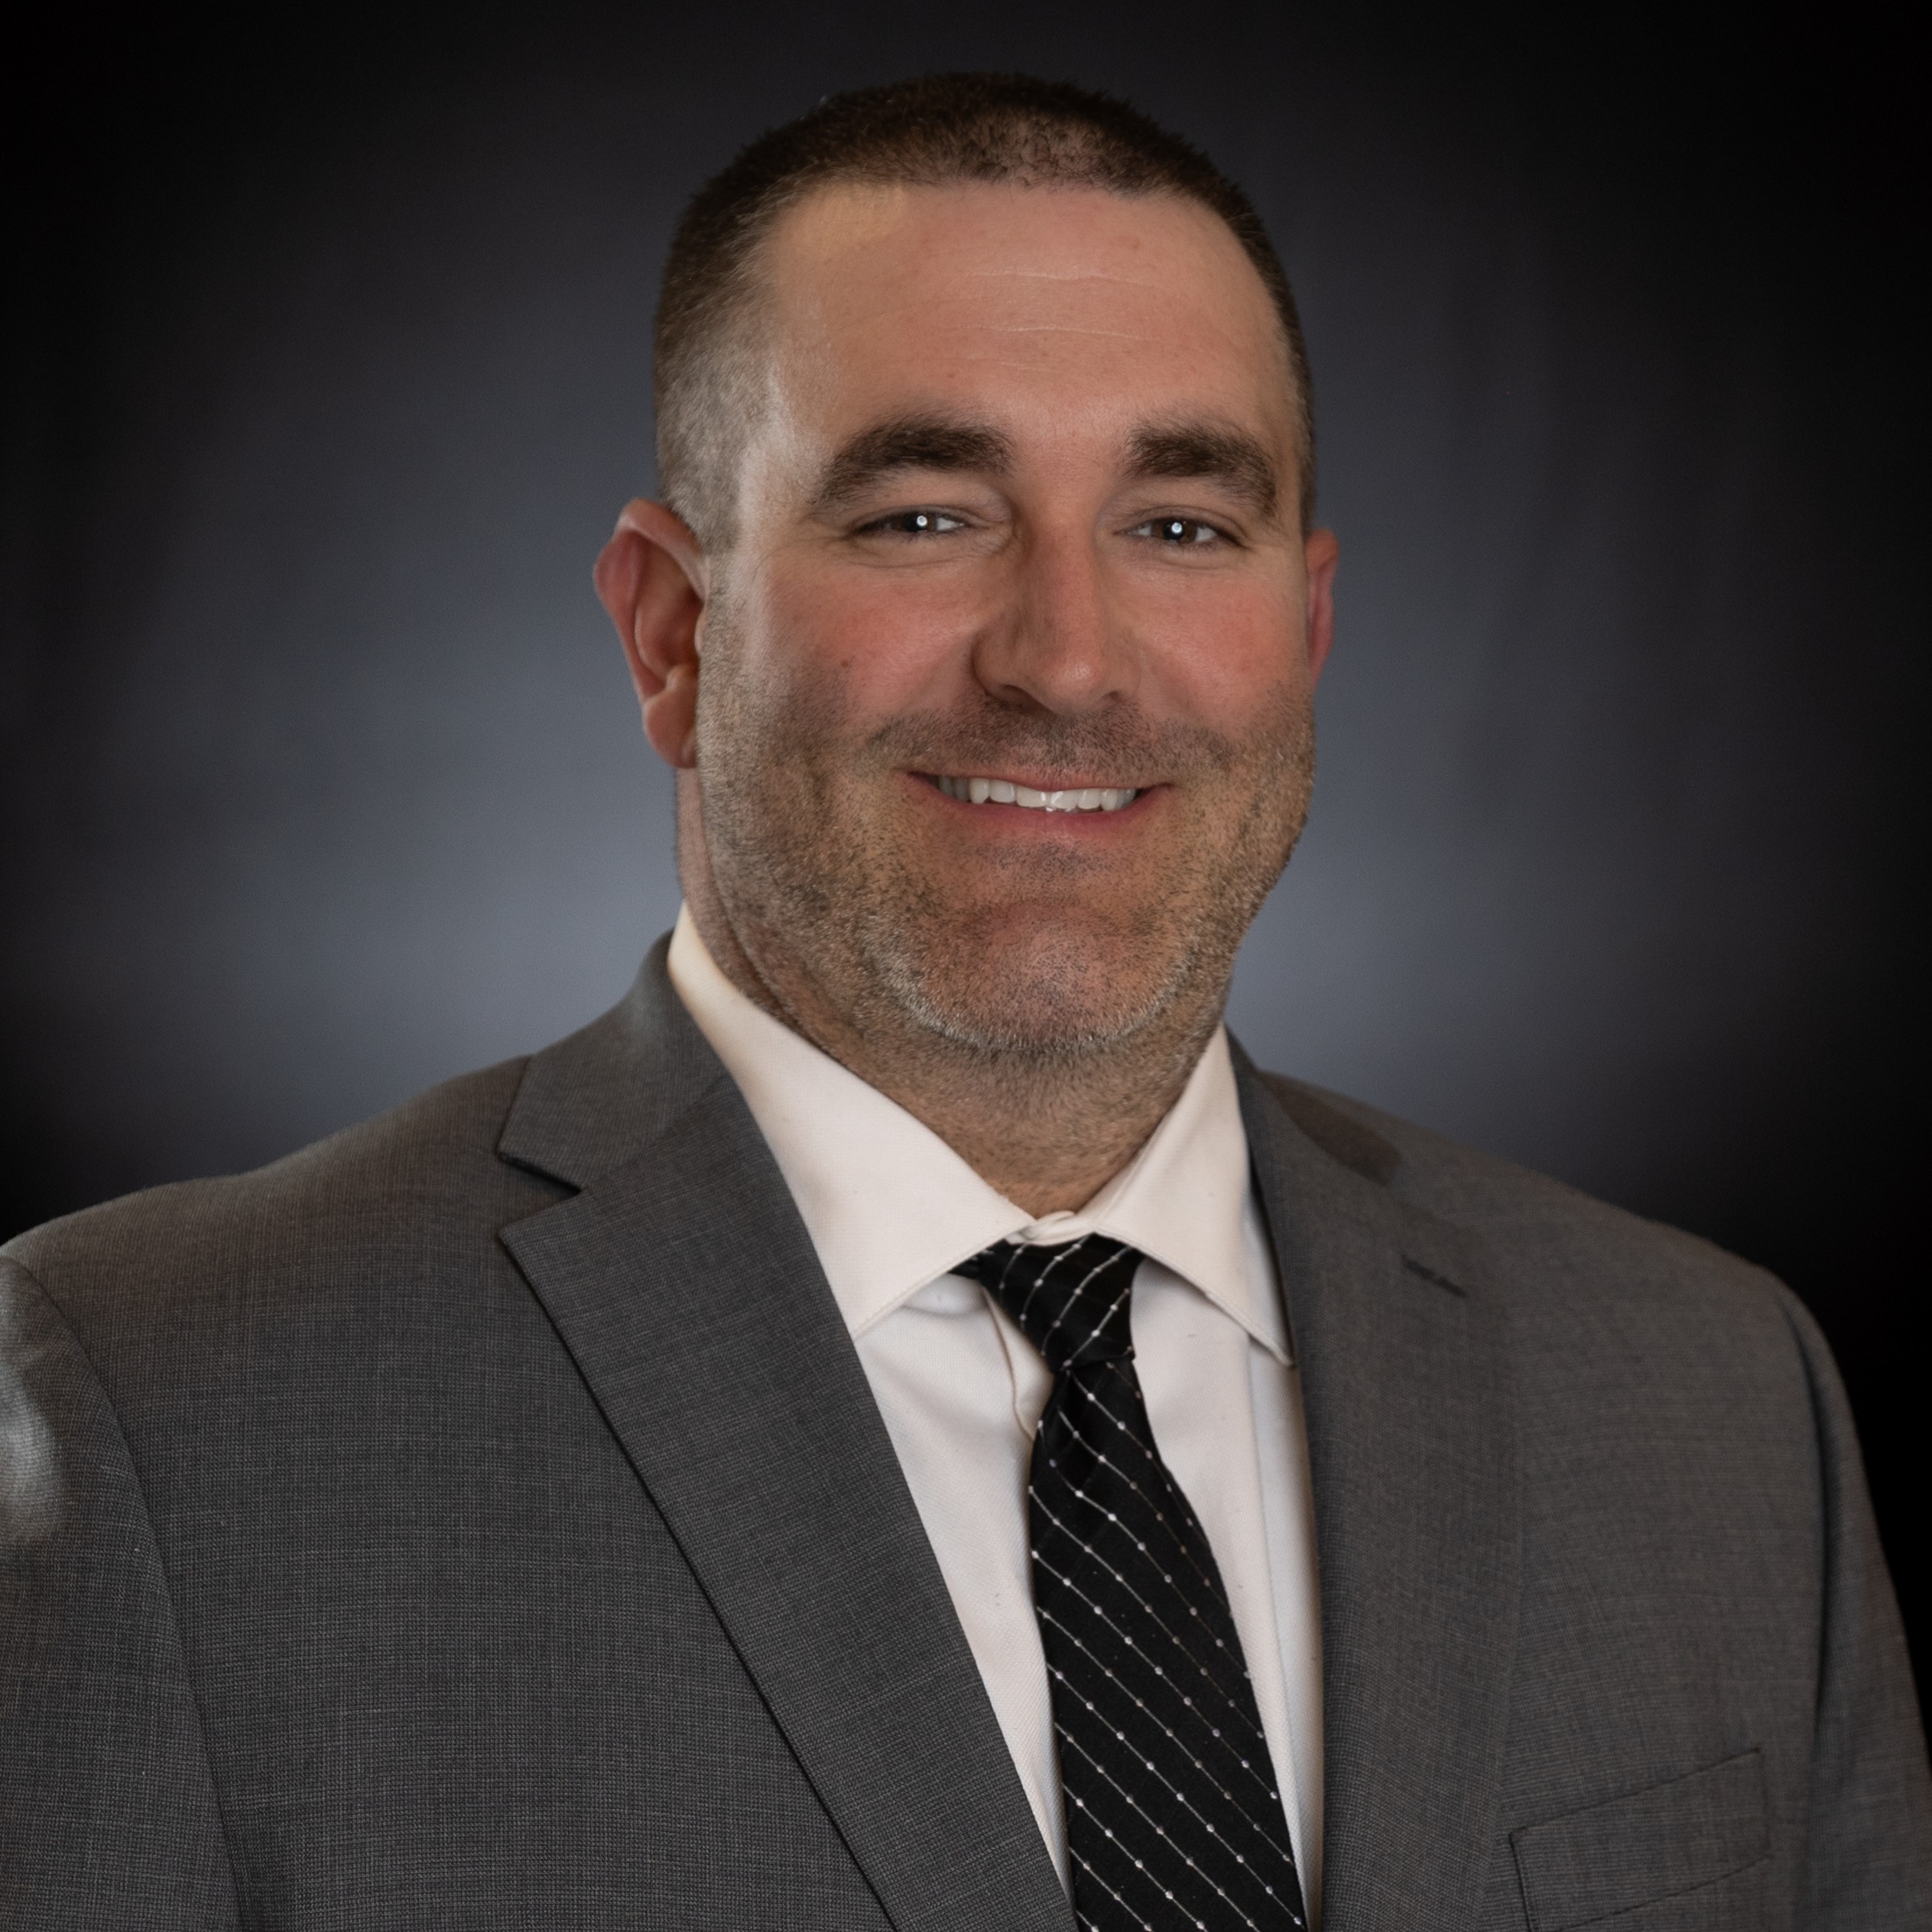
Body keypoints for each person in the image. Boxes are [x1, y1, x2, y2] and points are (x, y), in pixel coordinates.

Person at [2, 71, 1925, 1932]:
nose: (1067, 662)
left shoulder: (1710, 1396)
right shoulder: (160, 1408)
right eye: (925, 515)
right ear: (672, 634)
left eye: (1181, 524)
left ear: (1307, 626)